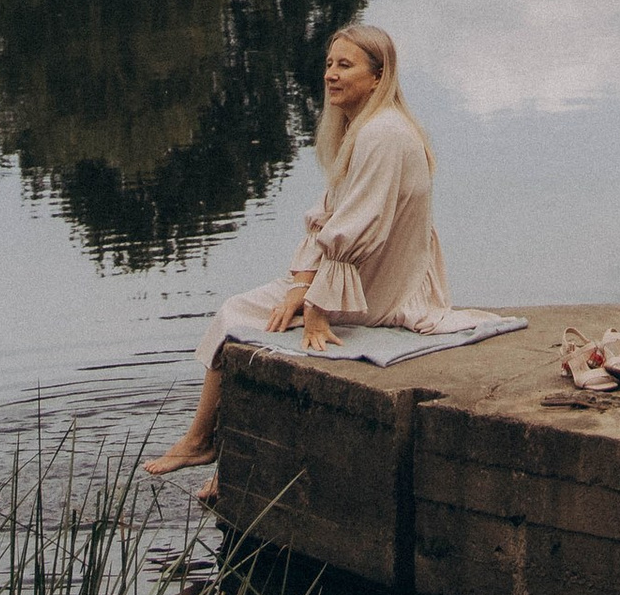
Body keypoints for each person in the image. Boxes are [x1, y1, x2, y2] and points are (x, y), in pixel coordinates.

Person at [144, 25, 474, 489]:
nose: (331, 76)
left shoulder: (383, 134)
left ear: (378, 77)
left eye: (345, 65)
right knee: (264, 317)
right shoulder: (366, 128)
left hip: (378, 285)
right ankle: (224, 462)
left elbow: (355, 231)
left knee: (237, 314)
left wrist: (316, 308)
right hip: (362, 275)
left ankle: (202, 442)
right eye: (328, 65)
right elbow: (326, 218)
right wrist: (300, 287)